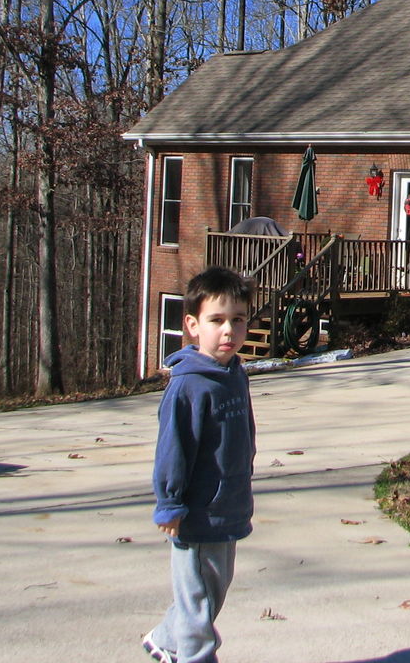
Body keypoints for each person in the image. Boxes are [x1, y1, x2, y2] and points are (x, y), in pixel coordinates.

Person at [143, 266, 258, 663]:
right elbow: (173, 448)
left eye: (238, 320)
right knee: (197, 605)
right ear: (192, 325)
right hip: (195, 512)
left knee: (212, 592)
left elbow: (245, 435)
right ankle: (193, 656)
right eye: (217, 320)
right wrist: (170, 502)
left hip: (228, 505)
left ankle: (165, 638)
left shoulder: (233, 374)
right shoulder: (188, 385)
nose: (229, 330)